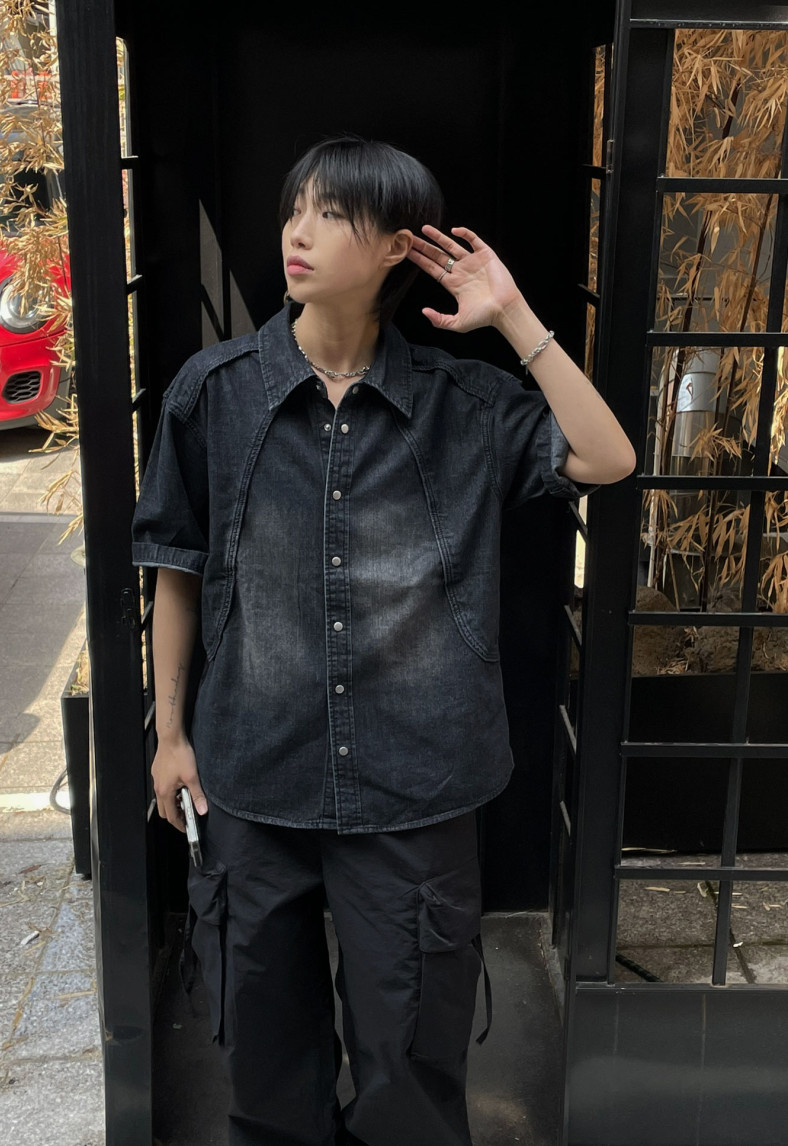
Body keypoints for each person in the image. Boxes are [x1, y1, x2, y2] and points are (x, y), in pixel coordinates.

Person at [130, 135, 637, 1146]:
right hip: (251, 778)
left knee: (410, 1068)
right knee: (264, 1062)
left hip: (416, 784)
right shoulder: (213, 393)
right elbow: (175, 569)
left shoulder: (464, 404)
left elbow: (608, 456)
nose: (298, 232)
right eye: (295, 209)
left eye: (330, 213)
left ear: (397, 247)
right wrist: (170, 735)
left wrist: (514, 318)